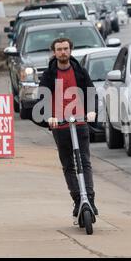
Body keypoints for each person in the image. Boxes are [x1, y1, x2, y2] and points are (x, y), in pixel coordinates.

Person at [32, 37, 99, 217]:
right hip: (60, 126)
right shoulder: (49, 75)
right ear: (54, 52)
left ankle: (89, 199)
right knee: (68, 164)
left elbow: (91, 93)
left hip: (80, 123)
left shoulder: (80, 72)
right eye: (59, 49)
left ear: (71, 50)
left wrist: (91, 112)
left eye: (66, 49)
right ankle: (78, 200)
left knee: (84, 161)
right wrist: (49, 117)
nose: (63, 52)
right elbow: (42, 99)